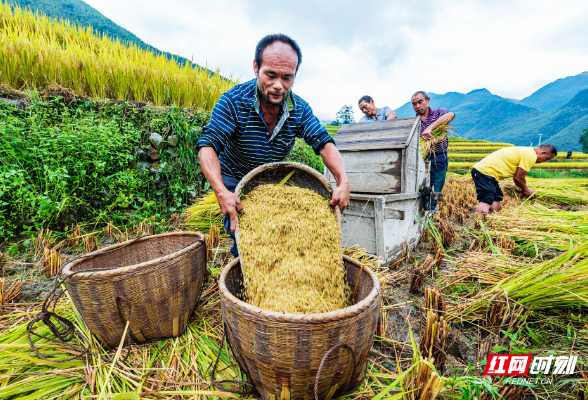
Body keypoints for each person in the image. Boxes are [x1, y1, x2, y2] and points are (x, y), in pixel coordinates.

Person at [196, 34, 351, 257]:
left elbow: (323, 143)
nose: (278, 85)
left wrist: (343, 181)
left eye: (287, 78)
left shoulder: (299, 109)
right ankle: (243, 271)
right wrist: (222, 191)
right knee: (248, 243)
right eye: (270, 75)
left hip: (272, 183)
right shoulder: (233, 101)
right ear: (256, 67)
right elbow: (208, 145)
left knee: (281, 241)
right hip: (235, 178)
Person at [471, 145, 557, 215]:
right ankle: (480, 224)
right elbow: (518, 178)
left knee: (497, 197)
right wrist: (526, 190)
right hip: (485, 172)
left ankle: (494, 218)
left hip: (489, 173)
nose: (544, 161)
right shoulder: (531, 155)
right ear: (542, 153)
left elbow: (517, 177)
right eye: (547, 159)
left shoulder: (527, 151)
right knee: (486, 198)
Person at [411, 91, 455, 210]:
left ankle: (432, 212)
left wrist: (430, 128)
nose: (417, 106)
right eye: (414, 104)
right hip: (422, 158)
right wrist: (428, 142)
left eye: (420, 102)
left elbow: (450, 115)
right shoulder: (413, 123)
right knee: (422, 188)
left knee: (437, 188)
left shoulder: (438, 113)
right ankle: (422, 213)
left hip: (439, 157)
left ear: (427, 100)